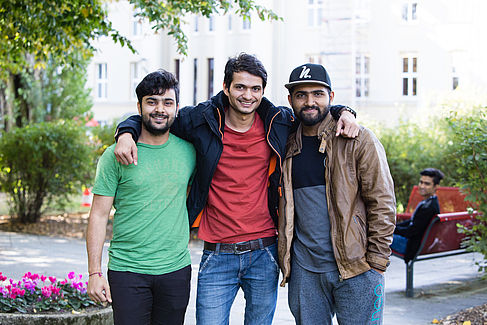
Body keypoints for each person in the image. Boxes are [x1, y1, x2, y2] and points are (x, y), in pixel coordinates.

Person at [113, 53, 360, 325]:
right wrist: (125, 130)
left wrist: (345, 111)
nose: (247, 95)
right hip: (217, 253)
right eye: (240, 87)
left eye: (255, 89)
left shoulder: (277, 121)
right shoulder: (201, 119)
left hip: (264, 252)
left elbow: (313, 111)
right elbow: (159, 116)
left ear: (263, 91)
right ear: (226, 87)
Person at [278, 63, 396, 325]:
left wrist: (376, 263)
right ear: (290, 100)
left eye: (317, 94)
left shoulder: (358, 139)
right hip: (305, 272)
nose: (310, 102)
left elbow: (383, 201)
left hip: (357, 268)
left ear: (331, 98)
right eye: (301, 95)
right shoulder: (283, 141)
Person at [86, 70, 196, 325]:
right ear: (139, 107)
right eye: (152, 102)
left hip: (175, 270)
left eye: (167, 103)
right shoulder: (115, 155)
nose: (160, 109)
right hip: (127, 271)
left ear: (176, 108)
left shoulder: (190, 152)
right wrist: (94, 272)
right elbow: (99, 215)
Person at [391, 168, 444, 262]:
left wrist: (390, 230)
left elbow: (411, 231)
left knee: (373, 237)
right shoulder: (429, 202)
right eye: (421, 182)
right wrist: (392, 227)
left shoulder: (429, 207)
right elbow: (413, 222)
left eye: (427, 184)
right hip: (414, 243)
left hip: (411, 246)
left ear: (436, 186)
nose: (422, 186)